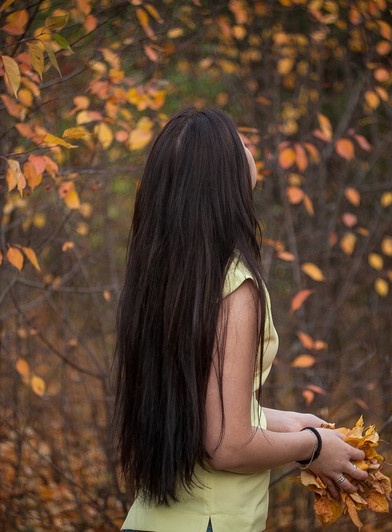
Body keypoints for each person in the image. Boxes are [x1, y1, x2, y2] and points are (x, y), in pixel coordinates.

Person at [113, 107, 367, 532]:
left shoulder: (160, 277)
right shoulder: (234, 283)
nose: (251, 151)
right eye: (241, 143)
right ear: (220, 176)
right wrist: (312, 448)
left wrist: (280, 421)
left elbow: (199, 411)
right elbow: (226, 445)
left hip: (150, 519)